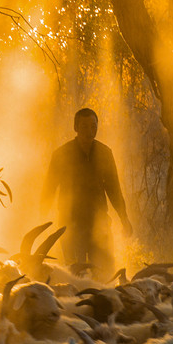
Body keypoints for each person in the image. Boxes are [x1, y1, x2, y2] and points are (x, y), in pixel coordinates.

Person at [41, 108, 131, 272]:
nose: (89, 131)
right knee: (76, 273)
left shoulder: (105, 153)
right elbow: (49, 189)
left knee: (105, 272)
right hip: (70, 225)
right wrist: (42, 220)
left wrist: (124, 218)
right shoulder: (61, 154)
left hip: (99, 223)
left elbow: (114, 190)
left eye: (93, 126)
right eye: (84, 126)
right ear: (75, 127)